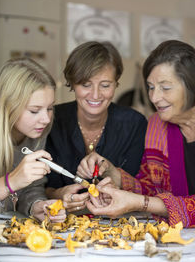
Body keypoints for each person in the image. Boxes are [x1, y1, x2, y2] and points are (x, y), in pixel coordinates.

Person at [85, 40, 195, 228]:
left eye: (165, 88)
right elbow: (151, 187)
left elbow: (147, 200)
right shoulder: (156, 125)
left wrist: (140, 203)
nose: (154, 97)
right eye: (151, 87)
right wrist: (112, 173)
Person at [45, 41, 147, 212]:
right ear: (72, 84)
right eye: (85, 85)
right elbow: (40, 189)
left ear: (116, 84)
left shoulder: (135, 124)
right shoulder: (51, 120)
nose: (95, 95)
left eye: (105, 85)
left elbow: (143, 186)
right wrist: (59, 194)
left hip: (121, 224)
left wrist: (113, 175)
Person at [0, 58, 66, 222]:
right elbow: (14, 184)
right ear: (8, 107)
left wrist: (36, 206)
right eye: (35, 110)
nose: (46, 119)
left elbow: (31, 187)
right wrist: (9, 182)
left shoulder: (37, 131)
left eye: (49, 108)